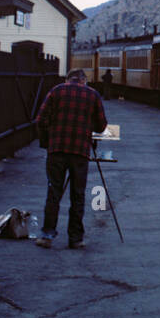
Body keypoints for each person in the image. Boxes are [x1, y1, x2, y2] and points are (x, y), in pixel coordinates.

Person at [34, 68, 107, 249]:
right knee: (78, 195)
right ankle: (75, 239)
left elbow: (41, 120)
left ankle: (47, 235)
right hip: (80, 152)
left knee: (54, 193)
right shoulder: (93, 95)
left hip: (57, 150)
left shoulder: (56, 91)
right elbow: (101, 126)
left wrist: (47, 142)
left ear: (68, 79)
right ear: (84, 80)